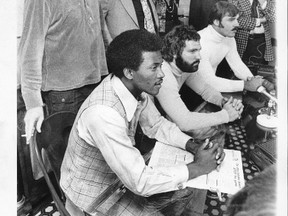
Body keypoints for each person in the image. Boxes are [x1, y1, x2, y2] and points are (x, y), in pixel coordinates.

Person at [60, 29, 225, 216]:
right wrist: (197, 167)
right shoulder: (103, 114)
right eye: (154, 68)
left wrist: (192, 146)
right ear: (129, 72)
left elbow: (156, 125)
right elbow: (140, 182)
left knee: (184, 192)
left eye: (161, 65)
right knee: (182, 189)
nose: (162, 74)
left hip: (119, 180)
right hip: (95, 197)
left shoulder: (130, 87)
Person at [18, 0, 109, 144]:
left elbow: (101, 32)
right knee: (68, 160)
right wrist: (33, 103)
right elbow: (30, 49)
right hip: (64, 95)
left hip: (97, 84)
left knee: (96, 157)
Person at [156, 25, 243, 138]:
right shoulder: (163, 74)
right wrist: (226, 115)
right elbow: (185, 122)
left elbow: (205, 89)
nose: (199, 57)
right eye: (192, 51)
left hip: (167, 122)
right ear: (174, 52)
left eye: (198, 50)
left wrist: (224, 102)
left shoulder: (184, 66)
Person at [197, 1, 265, 93]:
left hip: (206, 89)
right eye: (231, 20)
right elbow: (209, 81)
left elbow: (237, 65)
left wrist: (252, 79)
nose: (237, 24)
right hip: (187, 91)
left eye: (237, 19)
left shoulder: (228, 38)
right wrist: (245, 85)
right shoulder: (199, 42)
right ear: (216, 22)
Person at [228, 0, 276, 66]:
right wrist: (261, 20)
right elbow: (235, 20)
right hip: (242, 41)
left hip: (262, 40)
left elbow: (273, 17)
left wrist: (263, 3)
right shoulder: (236, 1)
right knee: (242, 69)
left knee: (260, 70)